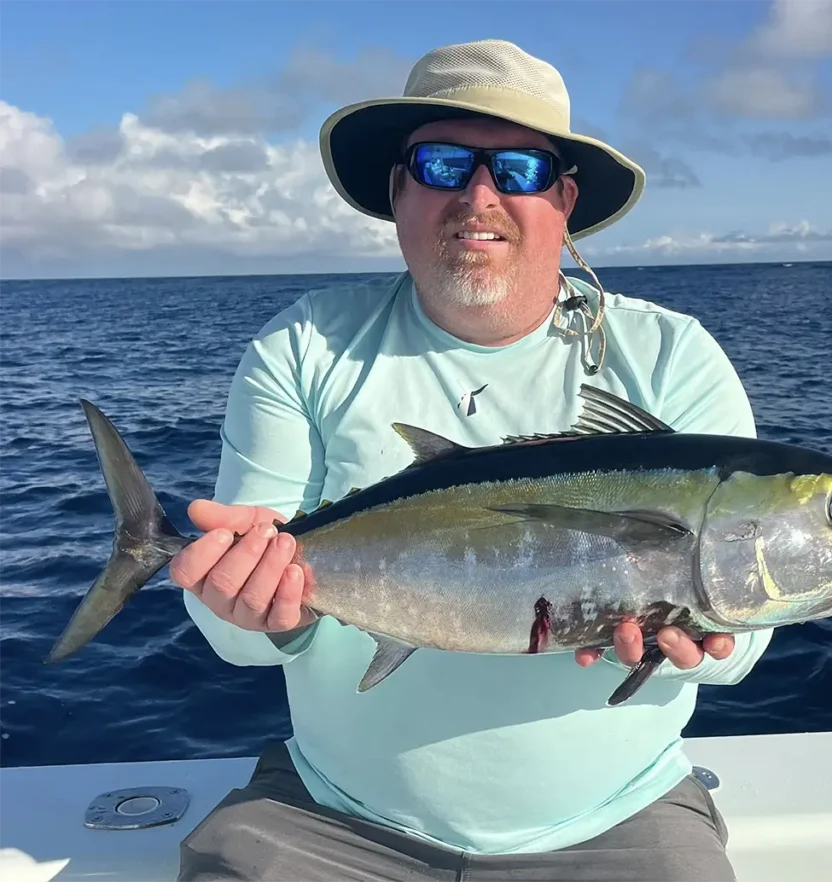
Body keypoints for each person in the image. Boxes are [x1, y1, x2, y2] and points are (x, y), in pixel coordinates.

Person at [169, 38, 774, 882]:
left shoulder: (672, 357)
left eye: (518, 168)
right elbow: (235, 644)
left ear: (564, 199)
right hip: (330, 817)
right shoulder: (305, 347)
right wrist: (264, 608)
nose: (479, 195)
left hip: (617, 815)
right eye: (444, 163)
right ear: (397, 189)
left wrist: (713, 636)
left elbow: (745, 645)